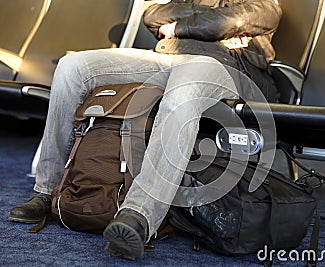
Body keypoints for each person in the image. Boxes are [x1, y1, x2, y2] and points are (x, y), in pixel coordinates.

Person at [9, 0, 282, 261]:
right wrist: (208, 26)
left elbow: (244, 17)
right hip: (168, 59)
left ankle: (139, 214)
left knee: (183, 91)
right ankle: (46, 190)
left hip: (223, 67)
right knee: (73, 68)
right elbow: (153, 15)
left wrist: (177, 27)